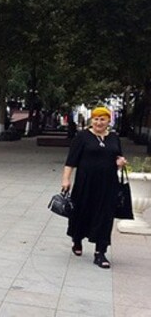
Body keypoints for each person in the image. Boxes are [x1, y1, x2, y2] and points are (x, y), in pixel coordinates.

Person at [61, 106, 127, 269]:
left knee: (105, 217)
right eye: (96, 119)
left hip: (108, 184)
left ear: (108, 121)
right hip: (85, 184)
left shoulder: (113, 138)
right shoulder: (82, 137)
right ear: (92, 120)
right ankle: (77, 239)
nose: (99, 122)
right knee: (81, 212)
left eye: (102, 119)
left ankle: (100, 252)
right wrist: (66, 179)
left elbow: (117, 157)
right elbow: (71, 161)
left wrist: (120, 163)